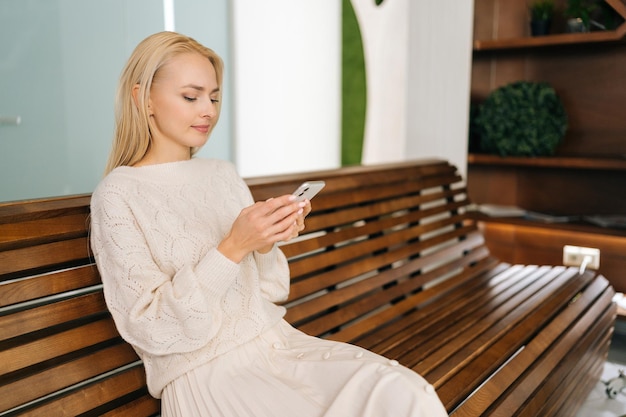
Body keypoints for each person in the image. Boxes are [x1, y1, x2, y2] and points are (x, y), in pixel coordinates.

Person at [90, 31, 448, 417]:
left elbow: (272, 288)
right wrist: (234, 247)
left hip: (278, 345)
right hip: (208, 375)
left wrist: (265, 243)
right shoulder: (118, 194)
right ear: (143, 99)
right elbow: (153, 328)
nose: (208, 110)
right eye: (191, 97)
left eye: (213, 96)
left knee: (405, 394)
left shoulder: (223, 175)